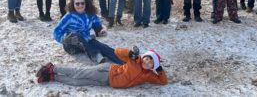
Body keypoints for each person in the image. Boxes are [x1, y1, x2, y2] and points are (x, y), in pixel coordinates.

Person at [36, 47, 167, 88]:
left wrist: (160, 69)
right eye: (147, 58)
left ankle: (53, 77)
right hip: (107, 71)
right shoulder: (135, 61)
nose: (147, 62)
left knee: (77, 82)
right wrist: (130, 54)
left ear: (152, 67)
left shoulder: (148, 75)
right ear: (144, 57)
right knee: (79, 73)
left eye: (151, 63)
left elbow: (163, 81)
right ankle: (52, 68)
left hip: (107, 83)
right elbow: (117, 52)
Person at [53, 0, 124, 65]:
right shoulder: (69, 16)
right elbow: (57, 31)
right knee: (77, 35)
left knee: (100, 45)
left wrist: (101, 31)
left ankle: (122, 58)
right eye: (77, 4)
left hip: (86, 41)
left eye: (82, 3)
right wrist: (64, 39)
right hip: (71, 45)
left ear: (86, 4)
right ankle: (96, 55)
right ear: (73, 5)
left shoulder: (90, 14)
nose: (80, 5)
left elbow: (97, 24)